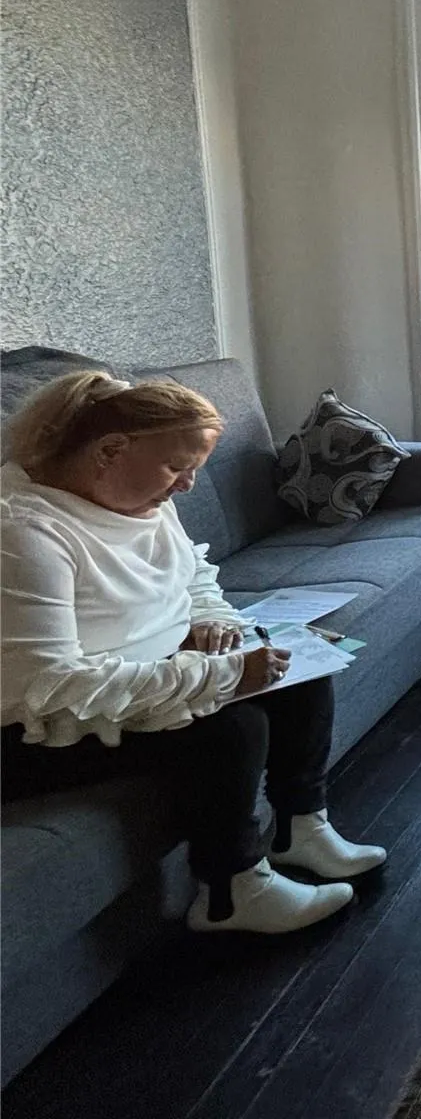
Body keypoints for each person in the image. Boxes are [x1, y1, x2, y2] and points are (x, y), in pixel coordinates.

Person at [1, 371, 385, 933]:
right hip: (38, 726)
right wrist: (220, 678)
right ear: (110, 450)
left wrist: (212, 621)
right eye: (177, 467)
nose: (186, 486)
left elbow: (195, 576)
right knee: (232, 728)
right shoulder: (23, 533)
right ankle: (232, 893)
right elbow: (54, 685)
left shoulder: (141, 496)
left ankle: (298, 830)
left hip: (142, 674)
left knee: (301, 671)